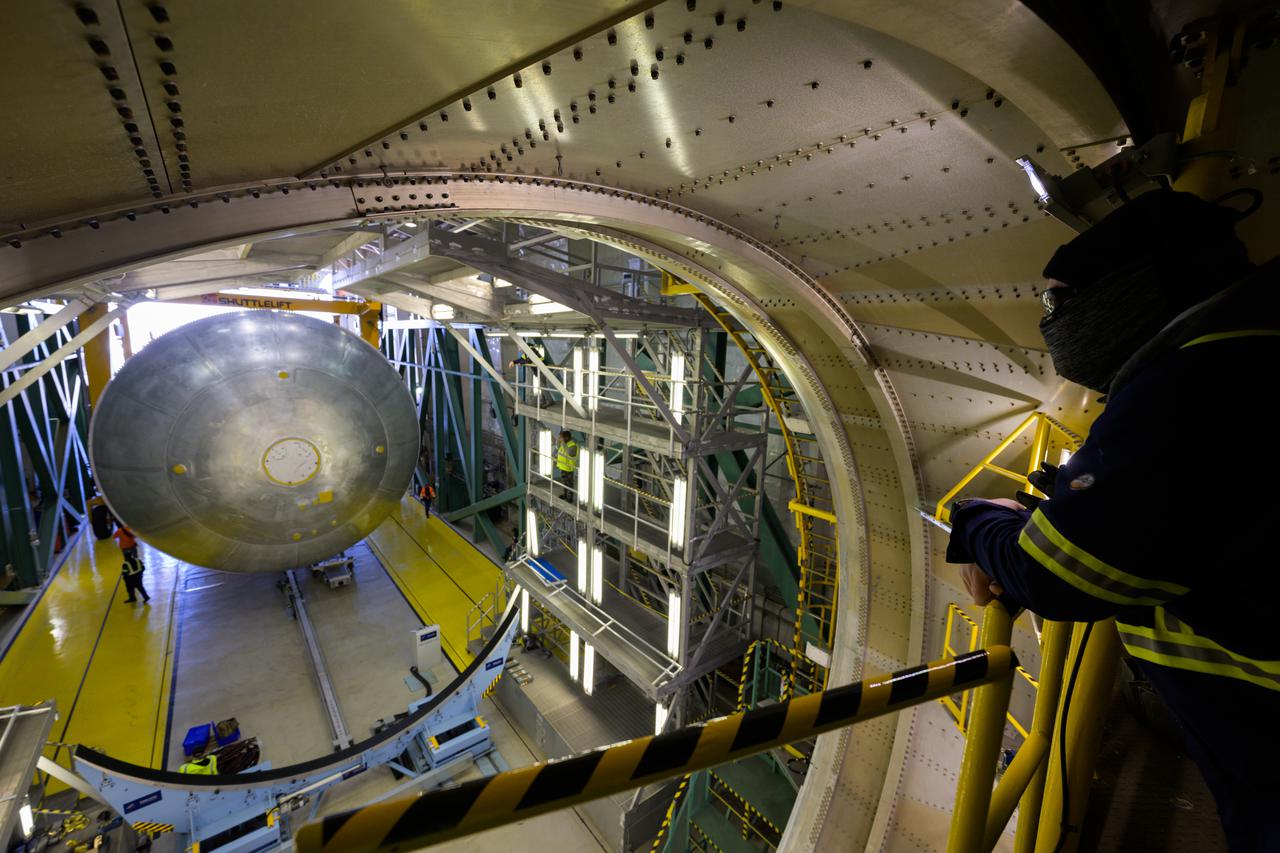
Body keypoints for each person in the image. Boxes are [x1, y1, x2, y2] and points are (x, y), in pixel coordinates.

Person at [945, 190, 1279, 850]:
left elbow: (1054, 576)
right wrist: (1067, 510)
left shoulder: (1191, 388)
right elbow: (1171, 522)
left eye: (1060, 302)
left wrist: (975, 519)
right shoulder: (1247, 344)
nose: (1054, 324)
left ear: (1135, 290)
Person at [554, 430, 578, 500]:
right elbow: (558, 448)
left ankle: (570, 498)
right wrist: (558, 441)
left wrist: (563, 443)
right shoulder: (562, 444)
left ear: (566, 438)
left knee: (569, 484)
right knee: (564, 483)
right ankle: (565, 495)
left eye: (561, 437)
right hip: (563, 467)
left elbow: (569, 452)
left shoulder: (572, 446)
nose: (560, 439)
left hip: (569, 469)